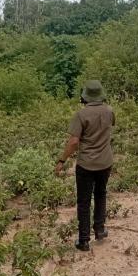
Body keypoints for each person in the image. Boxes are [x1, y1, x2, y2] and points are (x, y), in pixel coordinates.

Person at [55, 80, 115, 252]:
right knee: (101, 194)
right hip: (105, 162)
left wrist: (61, 160)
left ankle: (83, 240)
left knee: (83, 201)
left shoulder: (81, 115)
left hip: (86, 164)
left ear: (85, 96)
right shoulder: (109, 111)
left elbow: (74, 142)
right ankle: (100, 230)